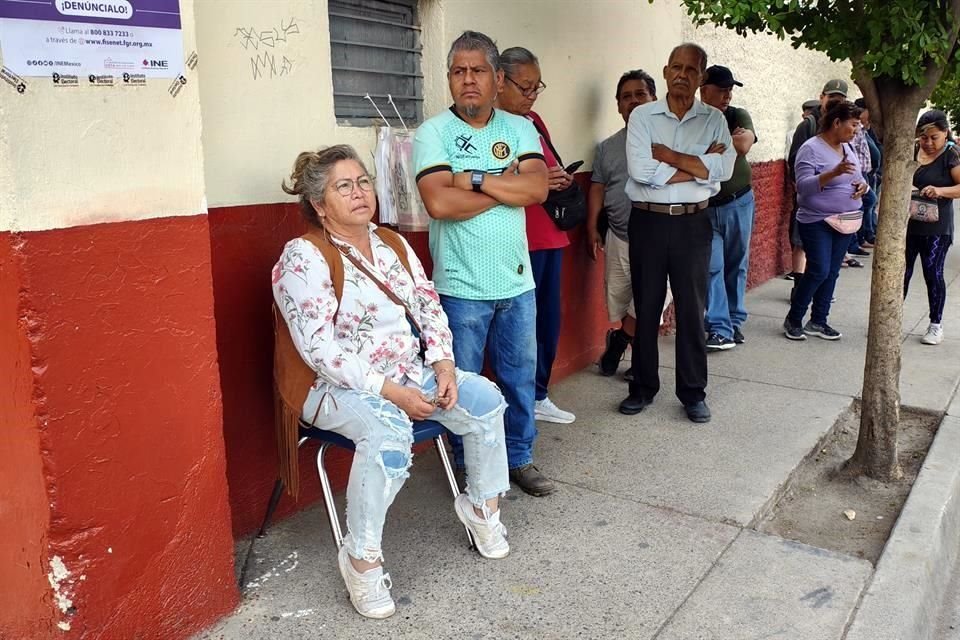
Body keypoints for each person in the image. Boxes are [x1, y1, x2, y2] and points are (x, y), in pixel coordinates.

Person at [272, 145, 511, 619]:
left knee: (483, 398)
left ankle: (482, 508)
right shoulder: (303, 257)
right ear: (319, 204)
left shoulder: (392, 245)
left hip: (407, 371)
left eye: (363, 181)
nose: (360, 193)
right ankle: (361, 559)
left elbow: (427, 306)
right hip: (332, 387)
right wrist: (389, 392)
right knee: (387, 431)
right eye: (344, 186)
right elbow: (320, 350)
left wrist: (443, 365)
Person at [413, 31, 555, 496]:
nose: (467, 80)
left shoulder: (520, 128)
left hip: (517, 283)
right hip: (458, 287)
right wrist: (503, 184)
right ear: (449, 78)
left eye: (477, 71)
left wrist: (471, 179)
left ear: (496, 78)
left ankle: (519, 456)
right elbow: (437, 203)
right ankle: (465, 467)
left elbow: (536, 191)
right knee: (463, 389)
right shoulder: (433, 132)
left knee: (518, 381)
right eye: (458, 71)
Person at [618, 43, 736, 424]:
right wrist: (701, 165)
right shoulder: (643, 116)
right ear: (666, 71)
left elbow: (726, 169)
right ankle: (642, 387)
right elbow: (640, 172)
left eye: (692, 69)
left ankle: (693, 393)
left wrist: (667, 156)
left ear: (701, 77)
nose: (683, 75)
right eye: (676, 67)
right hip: (648, 221)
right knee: (647, 305)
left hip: (693, 223)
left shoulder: (714, 119)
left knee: (691, 309)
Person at [496, 46, 576, 424]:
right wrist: (542, 178)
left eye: (536, 87)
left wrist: (557, 176)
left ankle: (539, 393)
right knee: (518, 327)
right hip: (519, 237)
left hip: (550, 231)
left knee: (548, 319)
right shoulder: (491, 125)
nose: (531, 96)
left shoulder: (534, 121)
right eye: (525, 88)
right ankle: (519, 399)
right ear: (500, 82)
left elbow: (542, 168)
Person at [589, 69, 660, 379]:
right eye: (626, 97)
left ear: (654, 99)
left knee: (653, 299)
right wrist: (592, 227)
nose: (633, 101)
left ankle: (623, 345)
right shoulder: (607, 147)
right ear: (618, 105)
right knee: (623, 301)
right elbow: (597, 187)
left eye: (640, 95)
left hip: (662, 238)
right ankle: (624, 339)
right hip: (620, 235)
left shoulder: (669, 140)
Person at [784, 99, 868, 341]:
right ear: (837, 122)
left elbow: (860, 176)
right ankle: (794, 318)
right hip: (817, 220)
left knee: (831, 272)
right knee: (818, 270)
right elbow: (803, 186)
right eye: (853, 124)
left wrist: (863, 187)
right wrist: (833, 173)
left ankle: (818, 320)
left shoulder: (847, 148)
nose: (857, 130)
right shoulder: (811, 148)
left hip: (846, 220)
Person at [699, 65, 757, 350]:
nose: (727, 95)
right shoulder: (695, 118)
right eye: (721, 89)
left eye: (730, 89)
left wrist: (708, 148)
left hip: (739, 202)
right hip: (706, 207)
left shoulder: (737, 115)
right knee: (713, 266)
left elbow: (744, 144)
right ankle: (719, 327)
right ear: (703, 89)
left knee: (737, 263)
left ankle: (734, 322)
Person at [787, 80, 850, 282]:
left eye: (839, 99)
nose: (834, 102)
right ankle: (799, 285)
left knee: (826, 257)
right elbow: (794, 160)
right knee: (801, 242)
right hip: (811, 196)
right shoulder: (809, 125)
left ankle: (818, 291)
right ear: (822, 96)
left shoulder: (843, 126)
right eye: (831, 97)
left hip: (835, 203)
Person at [906, 110, 959, 345]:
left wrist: (940, 191)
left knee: (932, 273)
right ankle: (889, 320)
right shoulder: (910, 150)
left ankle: (935, 324)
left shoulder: (951, 155)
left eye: (934, 138)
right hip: (907, 225)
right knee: (901, 274)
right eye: (924, 138)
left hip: (937, 227)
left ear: (945, 133)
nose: (928, 143)